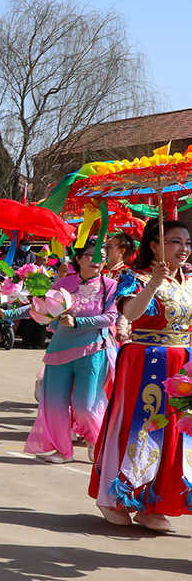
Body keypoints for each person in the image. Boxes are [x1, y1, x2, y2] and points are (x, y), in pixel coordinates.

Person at [91, 220, 192, 532]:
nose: (184, 249)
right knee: (139, 427)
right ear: (154, 245)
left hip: (182, 362)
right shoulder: (135, 277)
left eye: (187, 243)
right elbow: (131, 314)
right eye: (175, 241)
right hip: (146, 362)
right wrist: (153, 284)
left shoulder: (188, 282)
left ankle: (154, 504)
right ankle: (115, 497)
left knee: (175, 433)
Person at [24, 247, 118, 464]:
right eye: (90, 255)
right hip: (59, 351)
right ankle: (62, 451)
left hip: (93, 351)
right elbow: (41, 309)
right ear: (78, 259)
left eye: (101, 257)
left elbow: (110, 318)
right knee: (55, 405)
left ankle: (95, 441)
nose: (96, 260)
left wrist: (78, 322)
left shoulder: (110, 285)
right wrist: (5, 312)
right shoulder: (63, 283)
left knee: (85, 406)